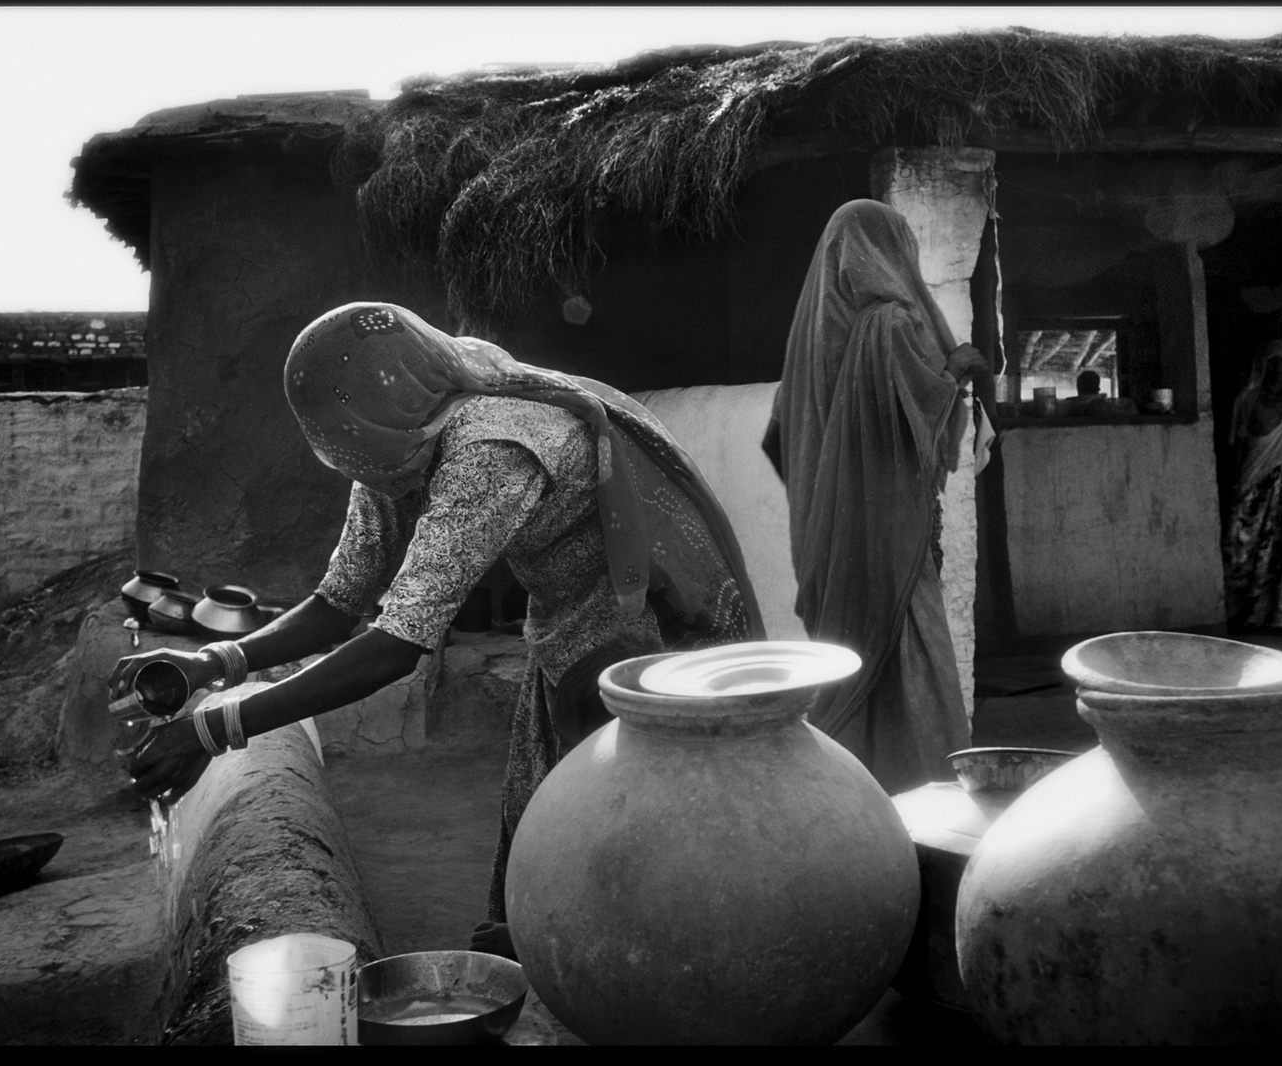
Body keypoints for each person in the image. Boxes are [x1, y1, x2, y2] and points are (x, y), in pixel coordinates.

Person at [111, 302, 764, 957]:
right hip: (566, 631)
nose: (348, 456)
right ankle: (536, 970)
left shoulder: (491, 441)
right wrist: (215, 662)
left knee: (634, 837)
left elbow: (399, 645)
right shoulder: (391, 432)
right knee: (545, 830)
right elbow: (341, 602)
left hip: (647, 636)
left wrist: (214, 728)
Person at [762, 199, 985, 796]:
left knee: (851, 654)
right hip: (889, 531)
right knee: (914, 646)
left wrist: (834, 490)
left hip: (833, 535)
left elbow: (781, 433)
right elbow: (926, 409)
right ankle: (926, 788)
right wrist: (959, 367)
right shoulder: (888, 323)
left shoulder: (808, 336)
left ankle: (850, 793)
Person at [1224, 339, 1282, 633]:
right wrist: (1238, 485)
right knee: (1244, 545)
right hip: (1254, 484)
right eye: (1271, 362)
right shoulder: (1247, 400)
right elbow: (1239, 445)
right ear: (1262, 365)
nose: (1276, 369)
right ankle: (1245, 612)